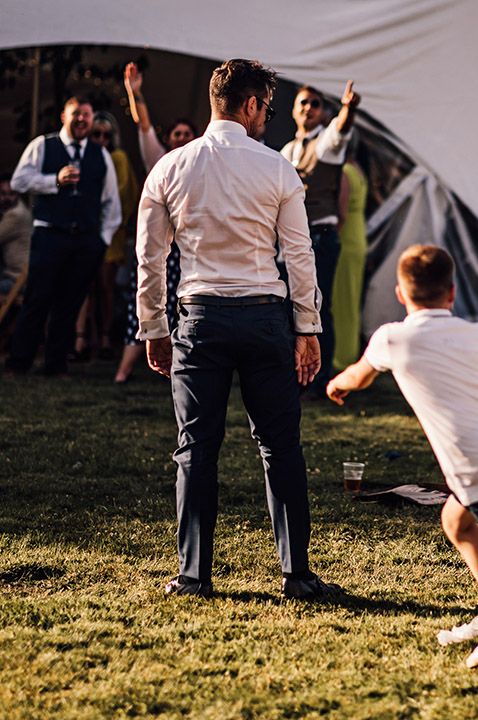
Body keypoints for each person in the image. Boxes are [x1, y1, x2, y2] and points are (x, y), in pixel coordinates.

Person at [136, 57, 343, 600]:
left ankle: (192, 576)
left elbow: (150, 259)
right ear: (250, 105)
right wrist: (309, 328)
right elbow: (299, 256)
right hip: (263, 319)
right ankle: (295, 574)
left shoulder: (170, 168)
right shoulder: (277, 168)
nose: (267, 118)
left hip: (199, 319)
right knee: (281, 447)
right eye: (267, 108)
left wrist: (153, 327)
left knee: (195, 446)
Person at [326, 245, 478, 669]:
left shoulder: (392, 338)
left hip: (472, 469)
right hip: (468, 475)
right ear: (452, 293)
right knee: (456, 521)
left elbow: (360, 374)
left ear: (399, 293)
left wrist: (337, 385)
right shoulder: (474, 333)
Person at [5, 96, 121, 376]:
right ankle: (19, 361)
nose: (81, 119)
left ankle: (55, 364)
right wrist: (52, 181)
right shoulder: (43, 145)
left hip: (85, 240)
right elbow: (19, 181)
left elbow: (111, 203)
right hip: (49, 235)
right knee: (37, 298)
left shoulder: (100, 154)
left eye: (86, 115)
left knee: (70, 302)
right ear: (63, 117)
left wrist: (101, 240)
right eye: (76, 114)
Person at [114, 63, 197, 384]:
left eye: (187, 135)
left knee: (184, 307)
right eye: (176, 134)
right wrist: (134, 93)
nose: (181, 139)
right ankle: (124, 370)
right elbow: (144, 125)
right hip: (158, 245)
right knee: (149, 301)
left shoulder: (202, 164)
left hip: (188, 249)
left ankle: (179, 369)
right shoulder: (159, 160)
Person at [281, 81, 361, 397]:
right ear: (293, 109)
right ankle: (297, 375)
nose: (308, 109)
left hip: (321, 236)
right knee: (293, 306)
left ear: (323, 111)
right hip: (294, 238)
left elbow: (340, 132)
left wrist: (348, 109)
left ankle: (319, 380)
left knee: (318, 306)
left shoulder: (327, 144)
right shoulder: (287, 150)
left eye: (314, 104)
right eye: (303, 103)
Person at [73, 111, 139, 360]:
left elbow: (123, 194)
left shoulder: (117, 157)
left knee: (105, 286)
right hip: (87, 231)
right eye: (95, 134)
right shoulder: (86, 157)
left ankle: (105, 338)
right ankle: (83, 339)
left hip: (111, 232)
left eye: (105, 135)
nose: (101, 139)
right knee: (86, 287)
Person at [331, 133, 368, 369]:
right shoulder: (359, 170)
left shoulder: (344, 171)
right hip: (358, 235)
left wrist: (334, 236)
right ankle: (350, 353)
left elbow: (341, 212)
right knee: (352, 300)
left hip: (346, 237)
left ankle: (341, 357)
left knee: (341, 300)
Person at [0, 174, 32, 297]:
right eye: (3, 194)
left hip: (17, 279)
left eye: (11, 194)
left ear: (18, 194)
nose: (7, 198)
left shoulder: (16, 215)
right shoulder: (12, 211)